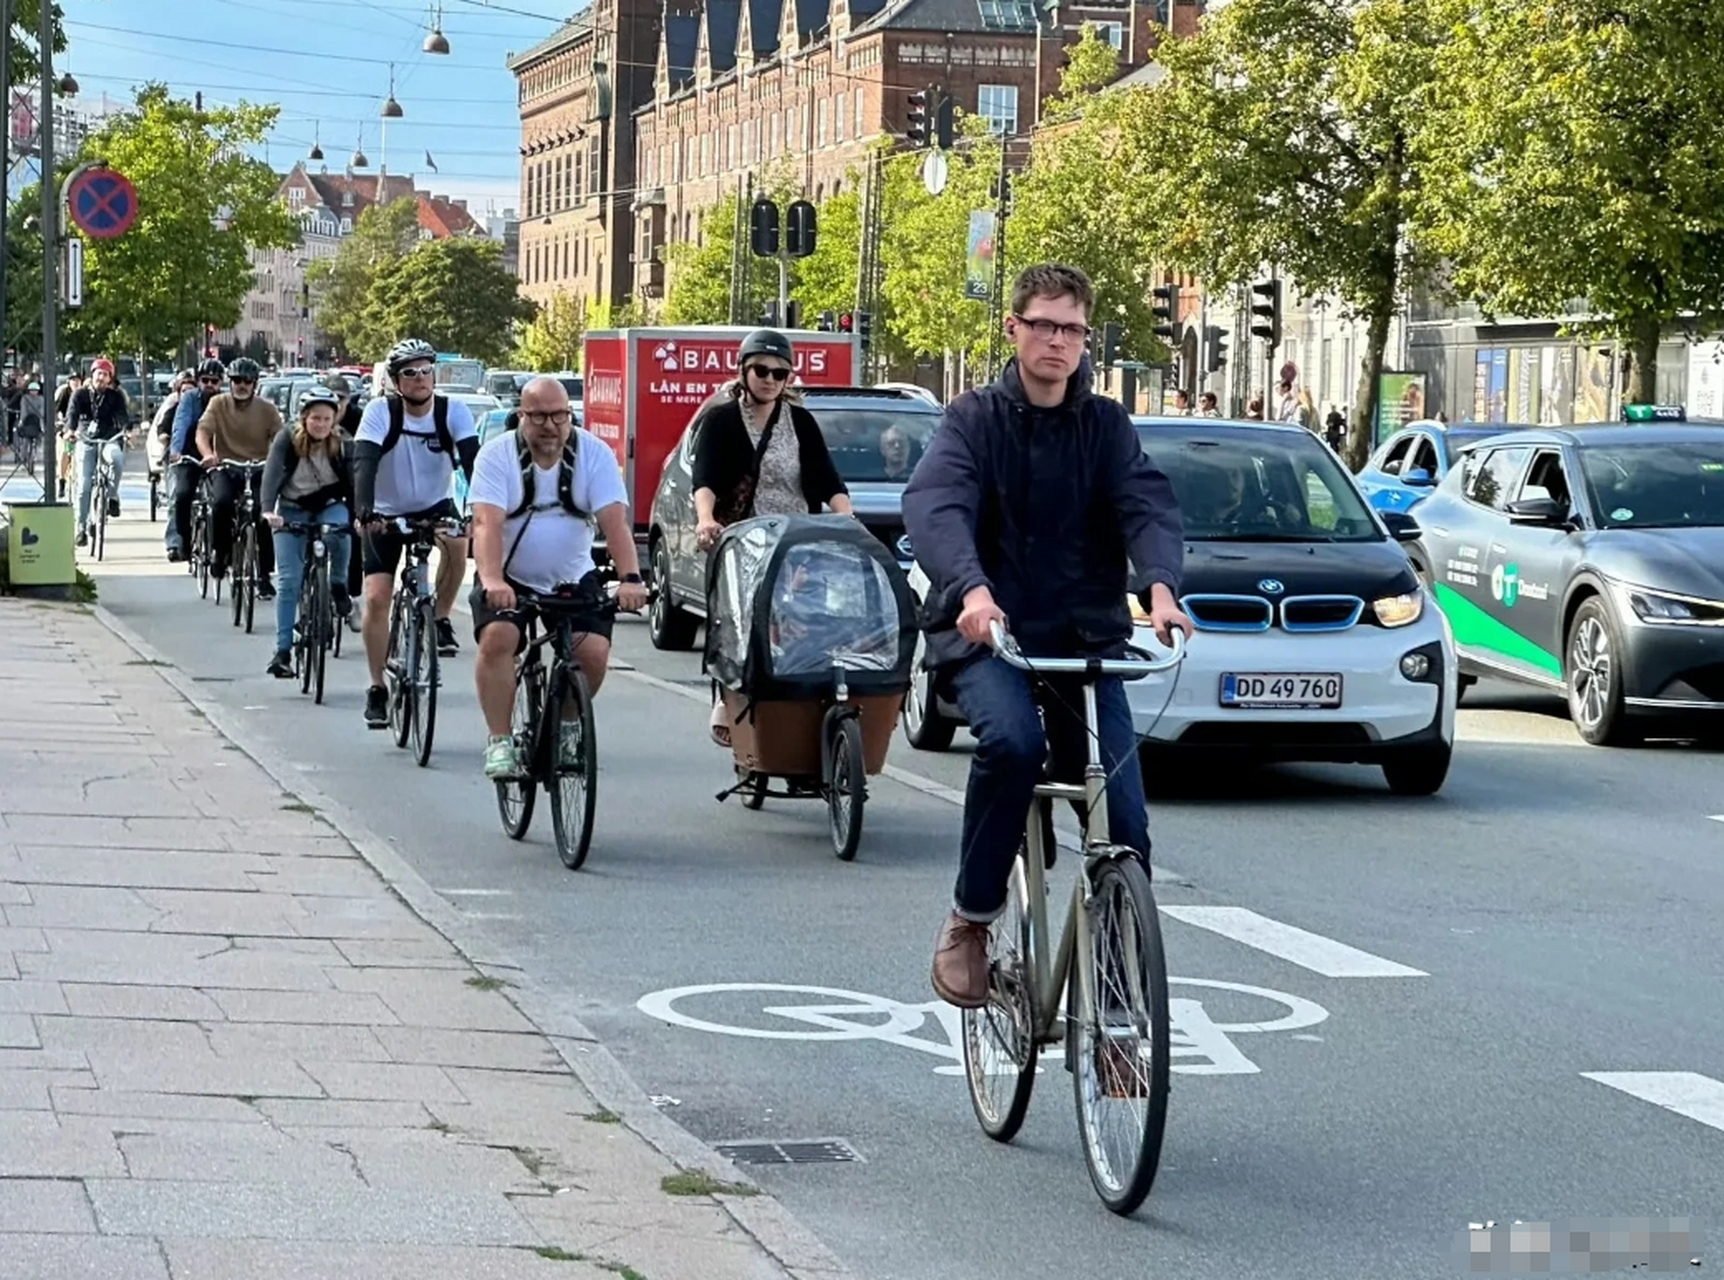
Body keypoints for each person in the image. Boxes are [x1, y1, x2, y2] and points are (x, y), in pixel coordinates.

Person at [901, 262, 1192, 1010]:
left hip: (1083, 640)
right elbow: (937, 505)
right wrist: (971, 588)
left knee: (1122, 819)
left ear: (1084, 338)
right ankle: (971, 918)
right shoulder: (974, 419)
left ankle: (1121, 1005)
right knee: (1012, 745)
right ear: (1015, 329)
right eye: (1043, 326)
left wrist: (1160, 585)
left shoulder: (1105, 426)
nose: (1057, 342)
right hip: (989, 633)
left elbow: (1146, 505)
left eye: (1071, 329)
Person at [468, 376, 648, 779]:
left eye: (559, 416)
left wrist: (631, 578)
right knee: (500, 639)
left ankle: (568, 725)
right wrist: (493, 581)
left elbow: (614, 522)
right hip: (509, 576)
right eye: (539, 417)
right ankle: (500, 741)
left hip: (572, 574)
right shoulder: (497, 456)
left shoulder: (594, 454)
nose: (550, 426)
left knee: (593, 651)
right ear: (522, 417)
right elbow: (486, 524)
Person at [690, 328, 854, 746]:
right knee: (742, 621)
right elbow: (705, 479)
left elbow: (826, 479)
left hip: (795, 540)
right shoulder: (722, 420)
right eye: (761, 370)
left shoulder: (800, 422)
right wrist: (706, 518)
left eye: (780, 374)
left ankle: (802, 700)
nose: (769, 379)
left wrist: (846, 518)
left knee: (801, 620)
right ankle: (727, 697)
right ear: (743, 371)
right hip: (742, 540)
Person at [352, 338, 479, 730]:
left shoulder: (452, 411)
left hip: (434, 504)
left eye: (427, 371)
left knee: (459, 542)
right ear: (395, 381)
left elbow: (475, 464)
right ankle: (377, 687)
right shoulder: (380, 412)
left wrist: (477, 510)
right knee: (377, 598)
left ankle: (438, 617)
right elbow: (364, 464)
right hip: (385, 512)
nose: (421, 379)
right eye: (410, 372)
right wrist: (364, 511)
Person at [260, 387, 355, 678]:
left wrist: (361, 515)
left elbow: (354, 484)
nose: (321, 425)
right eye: (315, 419)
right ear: (303, 418)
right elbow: (272, 474)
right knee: (289, 580)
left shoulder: (343, 443)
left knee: (341, 532)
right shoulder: (287, 439)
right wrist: (268, 510)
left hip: (329, 504)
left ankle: (338, 585)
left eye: (327, 419)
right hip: (291, 508)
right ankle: (283, 651)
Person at [195, 356, 283, 598]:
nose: (241, 385)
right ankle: (219, 555)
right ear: (230, 383)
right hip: (227, 466)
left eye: (247, 381)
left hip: (258, 469)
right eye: (236, 381)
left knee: (263, 515)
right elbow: (203, 431)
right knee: (221, 503)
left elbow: (281, 437)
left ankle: (264, 575)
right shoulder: (218, 403)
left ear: (255, 384)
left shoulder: (267, 409)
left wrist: (280, 459)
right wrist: (208, 454)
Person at [166, 359, 228, 562]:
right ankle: (184, 539)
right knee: (182, 495)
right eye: (205, 380)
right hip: (190, 454)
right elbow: (181, 423)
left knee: (225, 499)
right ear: (198, 381)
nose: (210, 385)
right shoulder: (190, 398)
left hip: (218, 455)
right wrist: (176, 450)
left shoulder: (226, 401)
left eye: (215, 381)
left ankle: (224, 549)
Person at [67, 359, 132, 547]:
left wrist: (125, 430)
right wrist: (70, 431)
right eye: (98, 373)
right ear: (92, 374)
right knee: (84, 485)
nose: (101, 378)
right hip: (86, 440)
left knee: (117, 459)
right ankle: (81, 528)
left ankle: (112, 496)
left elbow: (122, 416)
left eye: (105, 375)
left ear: (110, 379)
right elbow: (72, 415)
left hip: (109, 439)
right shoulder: (79, 395)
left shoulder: (115, 396)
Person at [322, 374, 366, 630]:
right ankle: (311, 599)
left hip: (351, 485)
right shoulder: (313, 415)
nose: (335, 405)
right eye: (331, 399)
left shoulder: (359, 420)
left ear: (349, 400)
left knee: (354, 535)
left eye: (341, 400)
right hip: (316, 487)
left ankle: (352, 597)